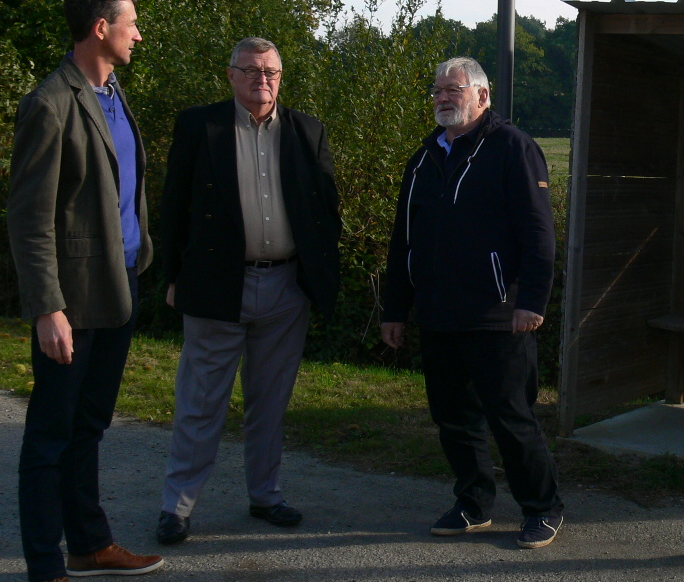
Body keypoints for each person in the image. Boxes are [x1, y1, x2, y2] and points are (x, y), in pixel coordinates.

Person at [8, 0, 164, 581]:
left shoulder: (112, 91)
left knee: (89, 427)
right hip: (71, 302)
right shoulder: (50, 103)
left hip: (118, 284)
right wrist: (48, 307)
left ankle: (90, 544)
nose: (139, 34)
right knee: (51, 435)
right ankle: (47, 566)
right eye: (131, 23)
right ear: (101, 29)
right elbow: (29, 219)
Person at [156, 37, 341, 544]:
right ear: (232, 75)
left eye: (272, 72)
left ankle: (266, 495)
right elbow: (172, 207)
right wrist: (172, 277)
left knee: (271, 401)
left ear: (281, 77)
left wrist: (318, 277)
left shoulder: (307, 130)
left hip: (285, 288)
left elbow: (327, 211)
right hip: (217, 286)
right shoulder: (200, 126)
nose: (263, 80)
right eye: (252, 70)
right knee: (201, 401)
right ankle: (177, 507)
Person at [380, 56, 564, 550]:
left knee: (511, 418)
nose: (443, 98)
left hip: (498, 315)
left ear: (482, 96)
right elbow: (404, 241)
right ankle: (474, 502)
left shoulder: (512, 147)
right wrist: (395, 309)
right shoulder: (424, 157)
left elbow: (539, 233)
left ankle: (542, 507)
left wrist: (531, 301)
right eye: (437, 90)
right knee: (453, 418)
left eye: (454, 90)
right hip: (438, 313)